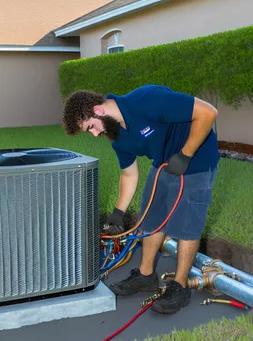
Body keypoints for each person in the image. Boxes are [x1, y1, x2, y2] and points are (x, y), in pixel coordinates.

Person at [61, 85, 219, 315]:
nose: (94, 134)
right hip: (165, 162)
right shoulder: (118, 137)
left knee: (187, 224)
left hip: (196, 158)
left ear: (98, 110)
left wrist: (185, 155)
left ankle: (180, 286)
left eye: (91, 127)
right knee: (150, 216)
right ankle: (146, 276)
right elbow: (129, 174)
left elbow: (208, 112)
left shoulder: (147, 100)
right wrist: (118, 213)